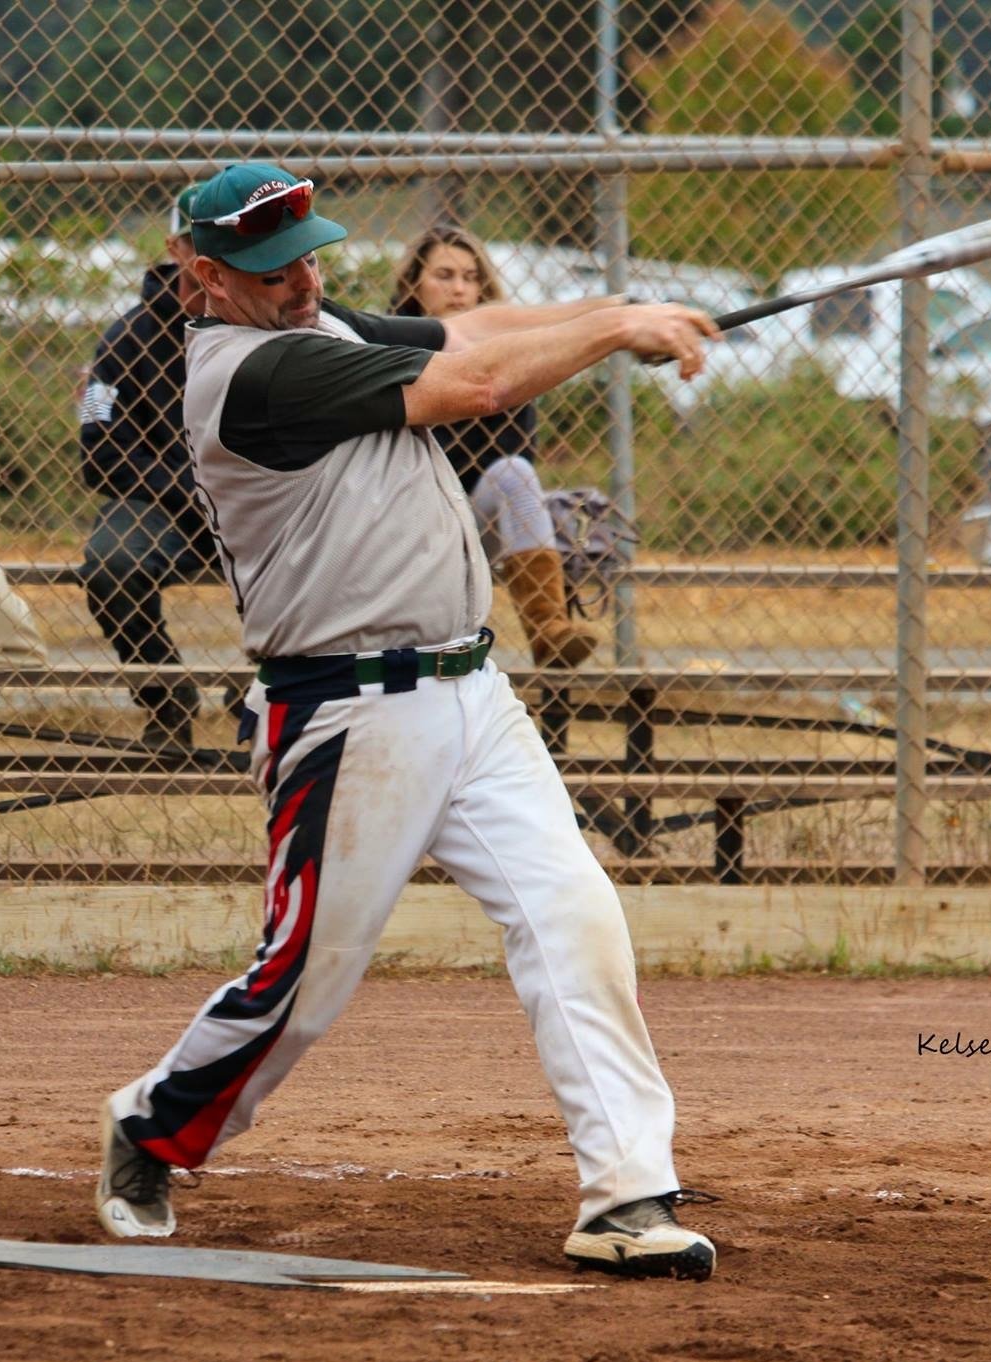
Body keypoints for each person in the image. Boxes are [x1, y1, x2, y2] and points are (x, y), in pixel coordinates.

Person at [94, 162, 721, 1280]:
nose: (300, 282)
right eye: (269, 269)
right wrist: (618, 327)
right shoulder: (251, 371)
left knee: (572, 913)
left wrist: (613, 314)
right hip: (346, 712)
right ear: (202, 279)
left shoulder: (315, 318)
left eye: (308, 258)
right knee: (304, 981)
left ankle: (626, 1193)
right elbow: (475, 382)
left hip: (471, 693)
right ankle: (153, 1125)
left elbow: (475, 324)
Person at [390, 225, 598, 667]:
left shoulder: (505, 356)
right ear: (413, 284)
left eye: (471, 277)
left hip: (472, 520)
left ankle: (549, 629)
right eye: (444, 275)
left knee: (512, 474)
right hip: (404, 526)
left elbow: (516, 454)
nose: (460, 289)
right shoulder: (385, 347)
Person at [78, 185, 213, 748]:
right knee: (109, 564)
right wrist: (184, 484)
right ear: (175, 249)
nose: (213, 258)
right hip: (163, 505)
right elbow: (97, 451)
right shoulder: (122, 341)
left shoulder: (274, 324)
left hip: (261, 499)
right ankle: (166, 695)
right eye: (199, 242)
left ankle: (276, 691)